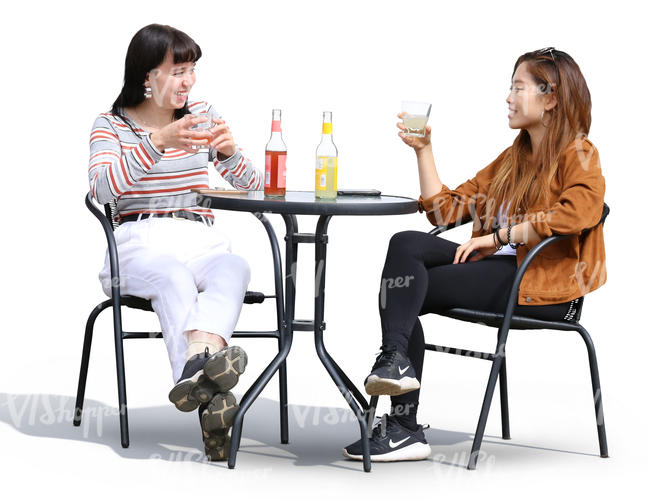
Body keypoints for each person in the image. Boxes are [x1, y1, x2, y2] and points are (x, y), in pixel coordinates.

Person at [342, 48, 606, 462]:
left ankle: (403, 426)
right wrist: (423, 151)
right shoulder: (513, 158)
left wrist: (501, 235)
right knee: (406, 244)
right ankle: (395, 364)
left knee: (402, 291)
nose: (509, 97)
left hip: (543, 287)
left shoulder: (580, 153)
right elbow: (445, 210)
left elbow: (580, 212)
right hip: (504, 270)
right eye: (511, 87)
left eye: (518, 87)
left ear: (550, 97)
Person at [89, 24, 263, 461]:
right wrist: (156, 143)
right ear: (147, 77)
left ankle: (197, 369)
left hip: (195, 235)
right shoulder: (110, 125)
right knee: (172, 276)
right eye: (179, 70)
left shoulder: (201, 114)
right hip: (135, 239)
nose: (190, 81)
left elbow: (258, 188)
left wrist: (229, 155)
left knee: (235, 267)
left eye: (193, 70)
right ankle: (209, 399)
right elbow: (103, 190)